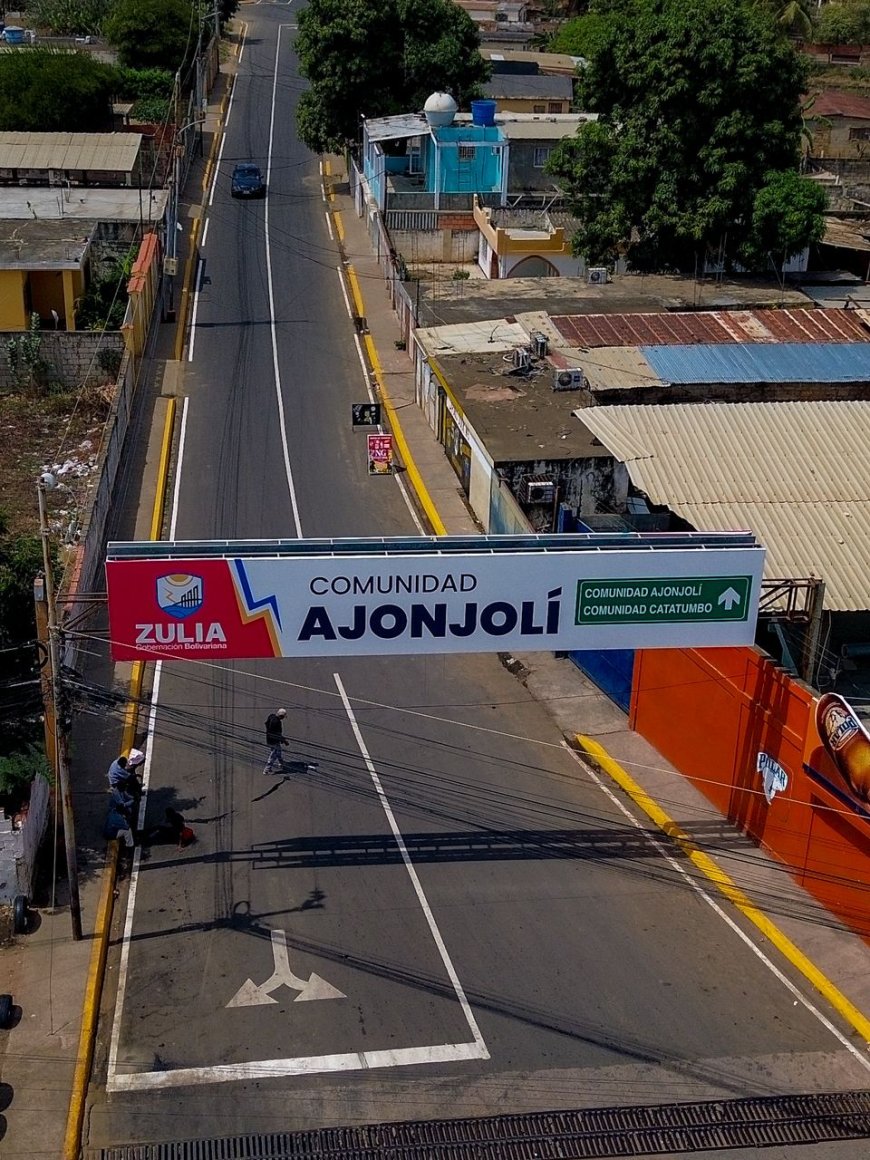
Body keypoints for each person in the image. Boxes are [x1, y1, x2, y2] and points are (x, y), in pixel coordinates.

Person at [264, 708, 288, 774]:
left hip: (269, 738)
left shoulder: (271, 716)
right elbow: (278, 734)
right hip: (274, 740)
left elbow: (266, 724)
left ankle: (281, 763)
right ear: (281, 716)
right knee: (273, 755)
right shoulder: (277, 722)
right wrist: (284, 740)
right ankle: (267, 769)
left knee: (278, 751)